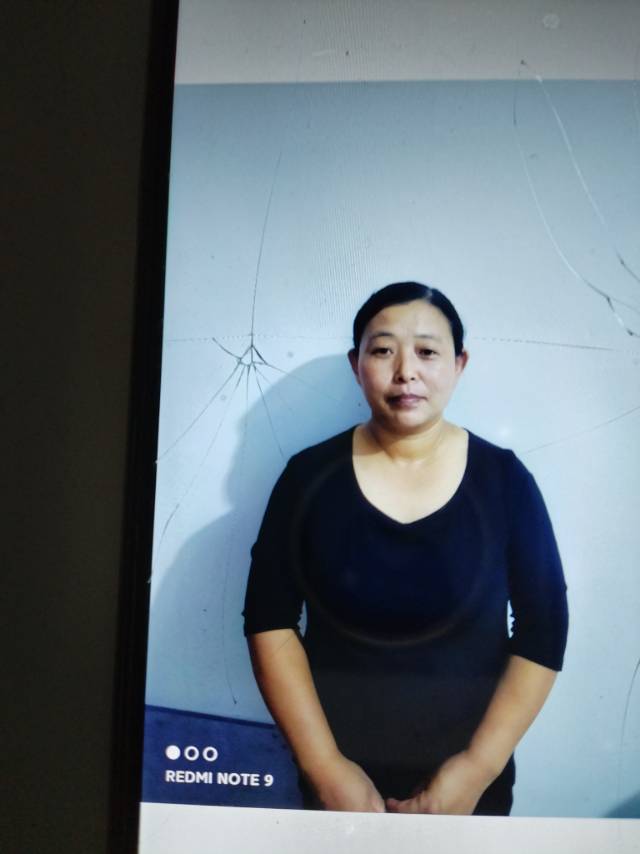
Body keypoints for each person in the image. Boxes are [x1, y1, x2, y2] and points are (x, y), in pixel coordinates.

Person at [243, 281, 568, 815]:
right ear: (356, 365)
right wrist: (325, 768)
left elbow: (545, 629)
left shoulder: (504, 481)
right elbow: (269, 620)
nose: (405, 372)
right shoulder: (308, 478)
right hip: (336, 788)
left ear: (459, 364)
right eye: (382, 350)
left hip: (469, 791)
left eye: (427, 352)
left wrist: (475, 769)